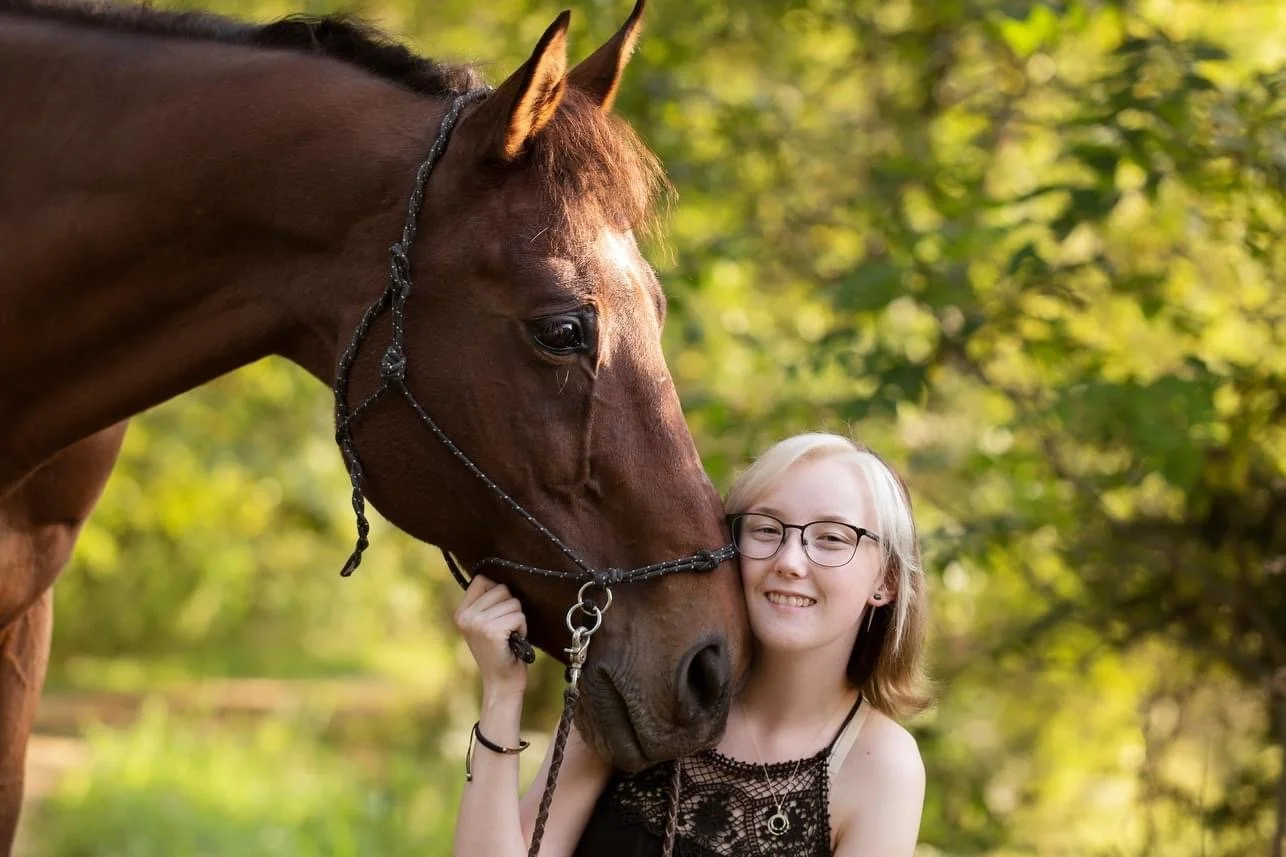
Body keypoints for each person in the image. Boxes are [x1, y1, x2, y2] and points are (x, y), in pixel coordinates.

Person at [452, 432, 931, 857]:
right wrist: (502, 692)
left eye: (831, 539)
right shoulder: (645, 679)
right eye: (766, 529)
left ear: (886, 580)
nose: (789, 561)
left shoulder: (882, 767)